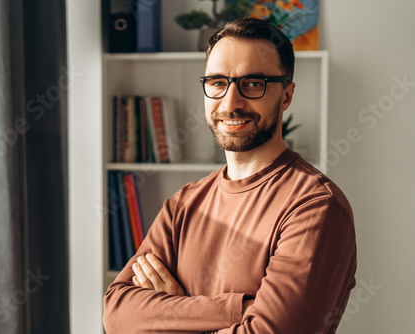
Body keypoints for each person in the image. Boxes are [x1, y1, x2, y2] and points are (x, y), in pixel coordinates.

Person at [104, 18, 356, 333]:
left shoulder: (316, 208)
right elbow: (117, 314)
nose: (231, 102)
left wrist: (170, 315)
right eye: (217, 82)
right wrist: (239, 308)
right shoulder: (184, 203)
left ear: (286, 96)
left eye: (253, 83)